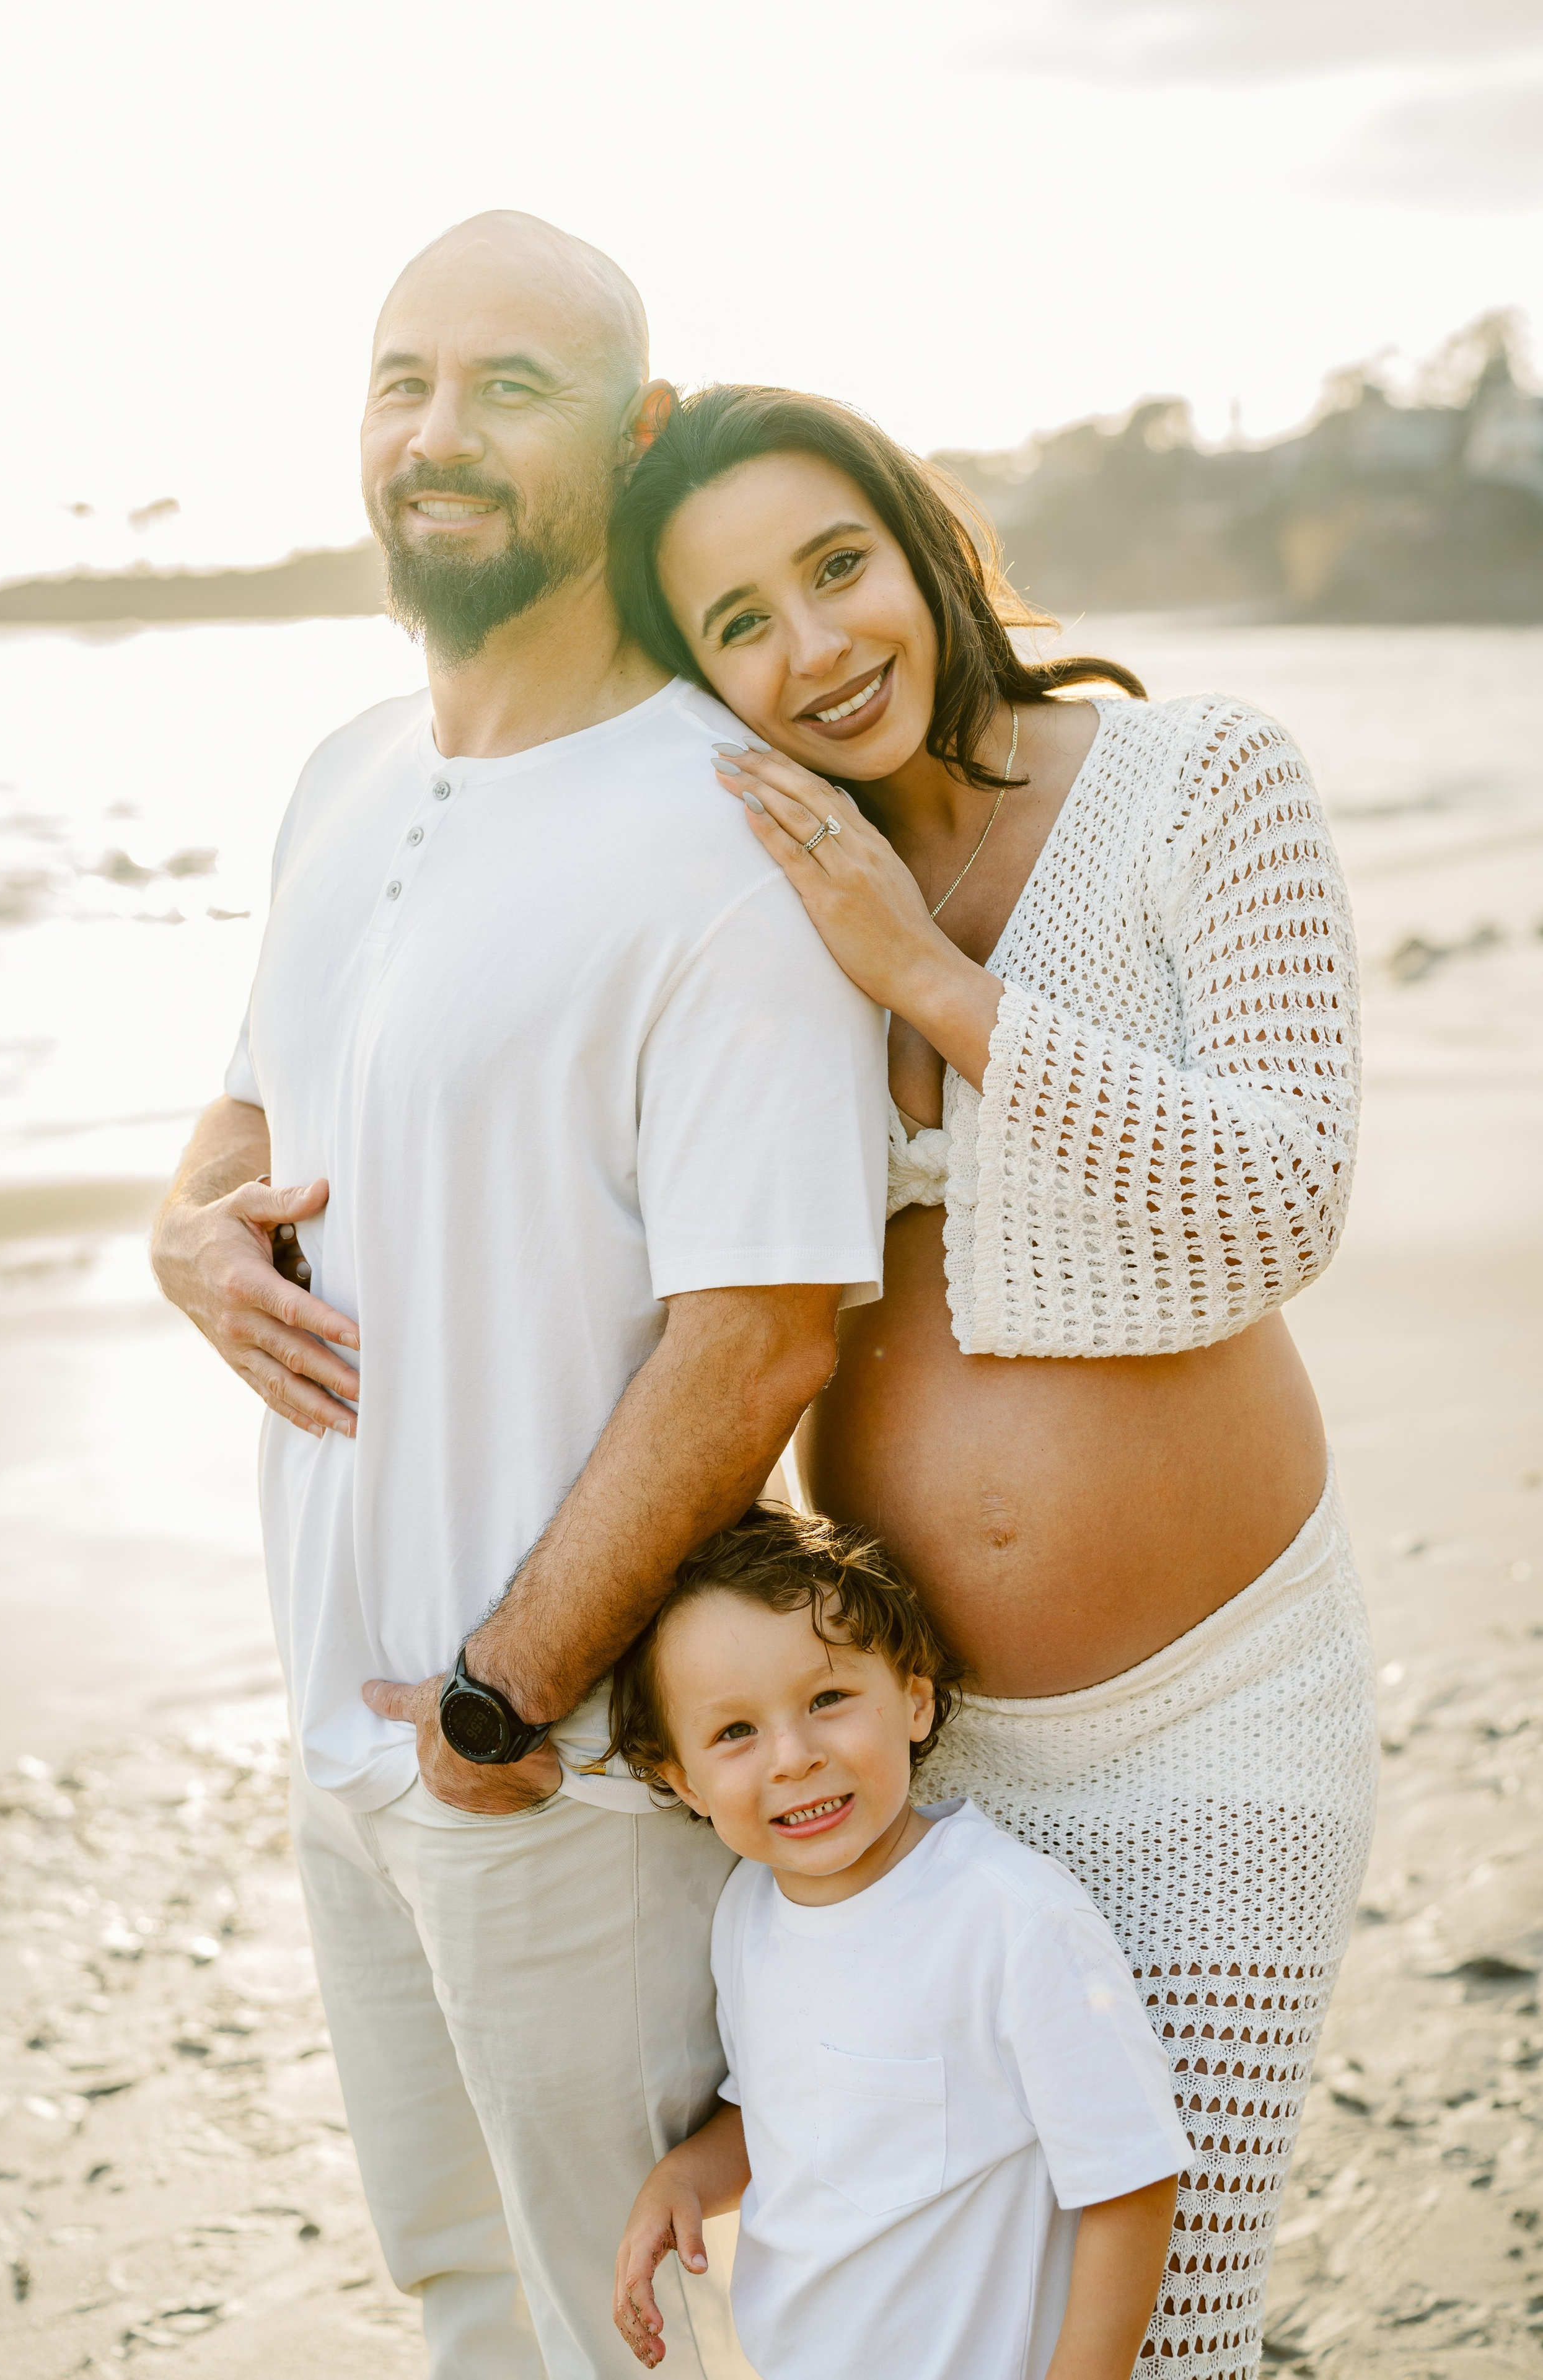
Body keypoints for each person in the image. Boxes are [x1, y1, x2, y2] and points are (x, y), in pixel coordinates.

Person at [151, 226, 889, 2380]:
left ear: (637, 435)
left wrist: (505, 1701)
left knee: (637, 2330)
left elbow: (763, 1332)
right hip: (339, 1738)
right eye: (404, 381)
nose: (438, 436)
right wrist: (183, 1234)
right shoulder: (345, 770)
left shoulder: (724, 831)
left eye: (512, 387)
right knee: (461, 2300)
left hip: (551, 1777)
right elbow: (255, 1103)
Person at [606, 386, 1379, 2380]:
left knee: (1165, 2315)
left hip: (1220, 1714)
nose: (816, 645)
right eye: (740, 624)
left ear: (925, 543)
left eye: (837, 565)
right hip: (906, 1744)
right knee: (920, 2283)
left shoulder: (1198, 780)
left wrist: (932, 981)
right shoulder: (748, 903)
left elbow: (1282, 1197)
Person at [608, 1506, 1191, 2380]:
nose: (793, 1756)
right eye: (736, 1731)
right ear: (683, 1779)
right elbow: (793, 2117)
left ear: (914, 1699)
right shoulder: (745, 1915)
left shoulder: (1007, 1917)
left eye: (828, 1699)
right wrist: (687, 2178)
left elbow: (1130, 2177)